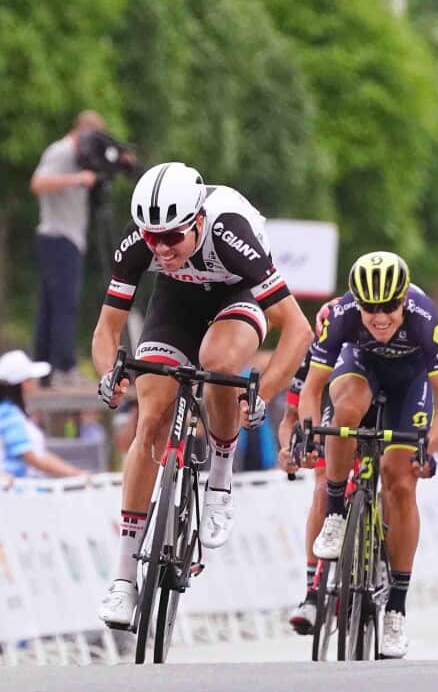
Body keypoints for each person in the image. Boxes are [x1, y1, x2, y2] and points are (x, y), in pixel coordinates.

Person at [92, 162, 313, 630]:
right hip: (175, 304)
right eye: (153, 238)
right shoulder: (140, 245)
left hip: (237, 296)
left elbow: (297, 328)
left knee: (219, 363)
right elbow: (107, 329)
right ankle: (124, 580)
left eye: (173, 236)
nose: (162, 248)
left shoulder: (231, 233)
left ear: (196, 221)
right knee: (150, 414)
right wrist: (110, 375)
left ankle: (219, 476)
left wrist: (263, 393)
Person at [299, 251, 438, 658]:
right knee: (344, 412)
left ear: (404, 300)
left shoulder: (424, 318)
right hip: (362, 368)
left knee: (399, 478)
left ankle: (397, 611)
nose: (380, 317)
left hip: (412, 383)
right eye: (371, 309)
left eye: (389, 306)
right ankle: (336, 512)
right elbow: (311, 390)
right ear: (357, 303)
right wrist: (307, 432)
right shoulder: (342, 317)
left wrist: (429, 448)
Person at [29, 111, 108, 386]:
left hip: (66, 238)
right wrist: (76, 179)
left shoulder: (81, 158)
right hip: (59, 236)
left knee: (50, 306)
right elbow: (38, 183)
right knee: (65, 304)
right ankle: (65, 367)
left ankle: (43, 370)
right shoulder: (61, 152)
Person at [276, 298, 340, 635]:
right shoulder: (311, 357)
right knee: (322, 485)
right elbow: (289, 420)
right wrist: (289, 448)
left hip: (371, 396)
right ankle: (313, 593)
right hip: (327, 407)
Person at [0, 350, 90, 478]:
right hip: (17, 493)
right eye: (31, 379)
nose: (35, 382)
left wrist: (76, 473)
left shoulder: (16, 413)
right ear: (24, 383)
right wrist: (74, 473)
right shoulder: (8, 414)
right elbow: (31, 458)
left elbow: (40, 454)